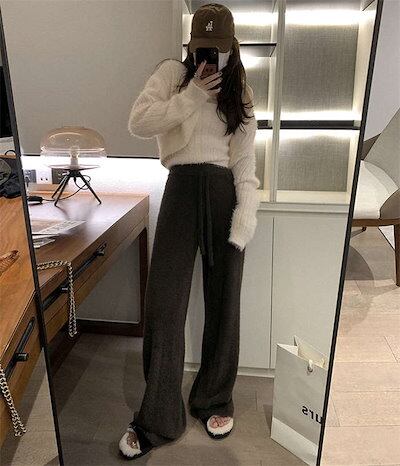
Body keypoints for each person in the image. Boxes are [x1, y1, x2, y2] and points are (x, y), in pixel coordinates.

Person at [119, 3, 260, 460]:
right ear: (191, 45)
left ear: (232, 48)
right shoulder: (171, 75)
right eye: (202, 48)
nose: (208, 57)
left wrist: (246, 213)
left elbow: (244, 160)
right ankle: (157, 416)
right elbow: (139, 123)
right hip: (180, 188)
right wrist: (193, 96)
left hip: (223, 192)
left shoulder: (241, 89)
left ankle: (214, 399)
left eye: (217, 50)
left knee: (224, 301)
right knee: (164, 304)